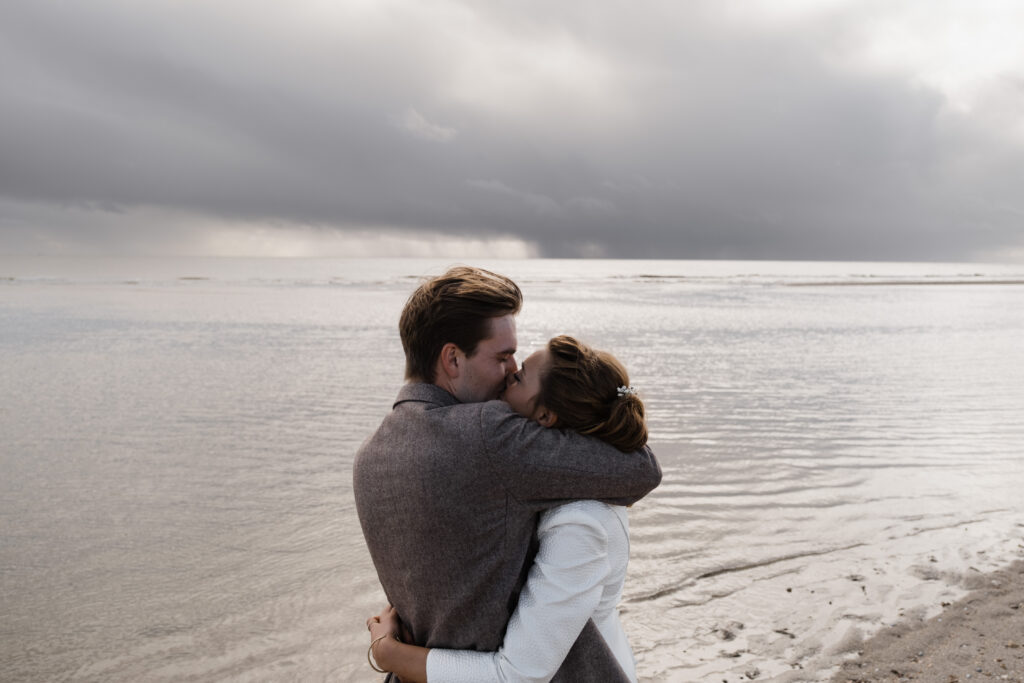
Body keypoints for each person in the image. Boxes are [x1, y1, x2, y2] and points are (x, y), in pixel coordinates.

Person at [353, 267, 661, 682]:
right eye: (502, 357)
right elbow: (638, 470)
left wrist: (388, 653)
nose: (510, 369)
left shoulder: (368, 458)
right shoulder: (488, 434)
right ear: (452, 358)